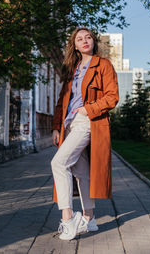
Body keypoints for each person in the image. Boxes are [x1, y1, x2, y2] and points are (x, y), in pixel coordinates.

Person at [51, 27, 119, 241]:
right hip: (69, 125)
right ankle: (89, 220)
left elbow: (112, 97)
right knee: (81, 173)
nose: (85, 40)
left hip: (88, 121)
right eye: (79, 39)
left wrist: (87, 109)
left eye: (88, 37)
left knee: (59, 163)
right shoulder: (72, 69)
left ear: (93, 41)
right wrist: (56, 126)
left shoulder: (103, 65)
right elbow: (63, 101)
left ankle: (68, 218)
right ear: (75, 45)